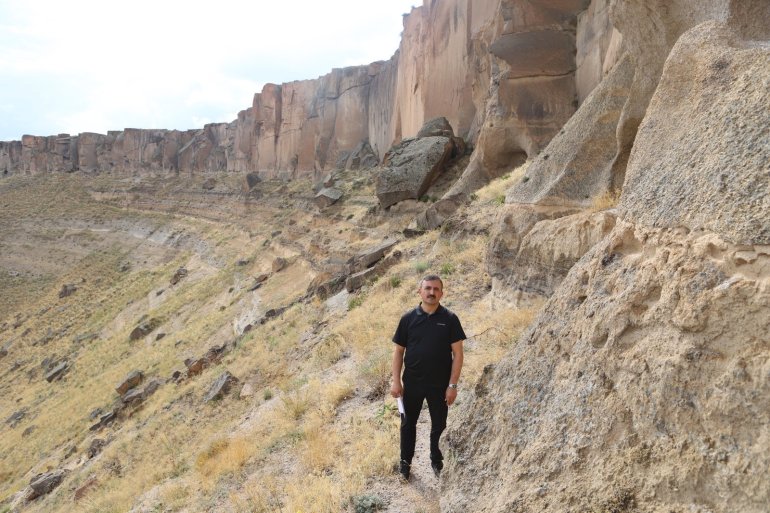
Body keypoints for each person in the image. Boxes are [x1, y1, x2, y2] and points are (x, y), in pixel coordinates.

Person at [390, 274, 466, 481]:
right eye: (428, 288)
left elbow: (458, 354)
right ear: (420, 291)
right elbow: (398, 352)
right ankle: (405, 463)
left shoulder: (450, 319)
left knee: (439, 424)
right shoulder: (408, 319)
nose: (432, 292)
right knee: (407, 423)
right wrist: (396, 381)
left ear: (442, 293)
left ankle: (436, 460)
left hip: (440, 385)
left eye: (436, 289)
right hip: (412, 383)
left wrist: (452, 385)